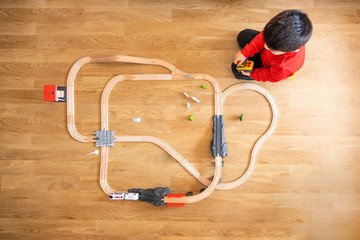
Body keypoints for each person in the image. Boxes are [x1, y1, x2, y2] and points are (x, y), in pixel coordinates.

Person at [232, 9, 313, 82]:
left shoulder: (283, 68)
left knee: (235, 69)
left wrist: (252, 74)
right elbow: (262, 38)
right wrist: (245, 53)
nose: (265, 47)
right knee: (243, 35)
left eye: (272, 49)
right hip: (270, 51)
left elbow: (270, 76)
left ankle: (286, 75)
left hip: (269, 66)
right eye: (266, 42)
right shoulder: (287, 39)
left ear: (292, 50)